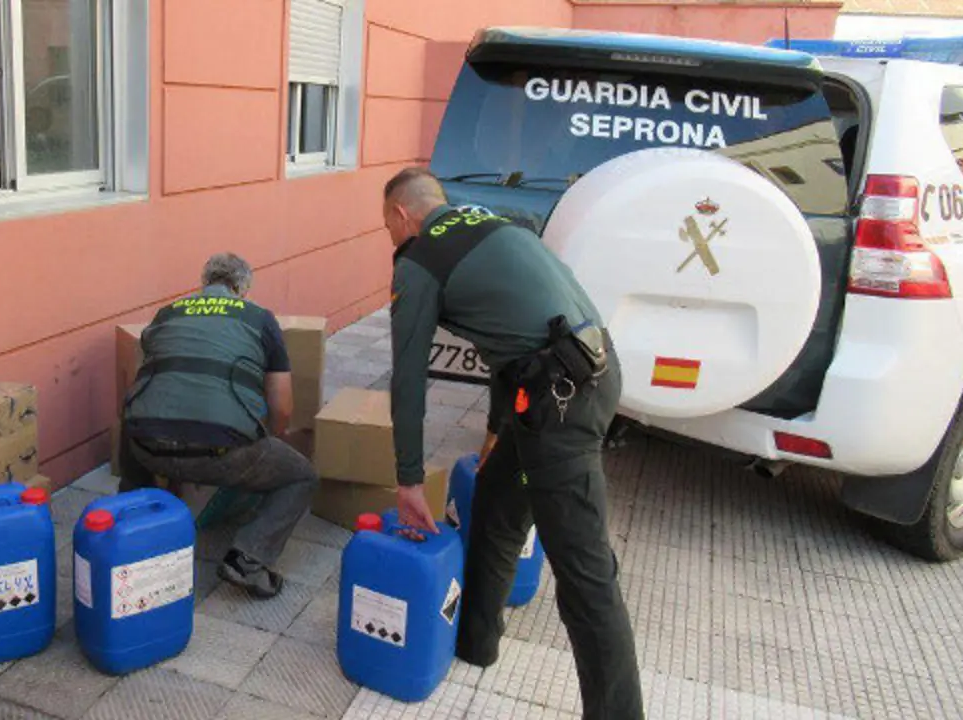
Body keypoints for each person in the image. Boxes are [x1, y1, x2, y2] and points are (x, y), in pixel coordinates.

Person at [383, 168, 644, 718]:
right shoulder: (499, 226)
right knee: (500, 511)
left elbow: (407, 378)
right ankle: (477, 643)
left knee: (586, 575)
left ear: (401, 215)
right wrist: (498, 430)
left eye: (385, 224)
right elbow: (514, 342)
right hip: (577, 375)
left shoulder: (419, 258)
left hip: (563, 404)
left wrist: (408, 479)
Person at [117, 253, 318, 599]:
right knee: (301, 476)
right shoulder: (260, 318)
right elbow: (282, 405)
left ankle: (131, 531)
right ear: (242, 289)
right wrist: (267, 442)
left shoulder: (168, 313)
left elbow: (151, 380)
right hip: (221, 452)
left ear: (204, 283)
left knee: (137, 422)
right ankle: (249, 560)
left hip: (146, 448)